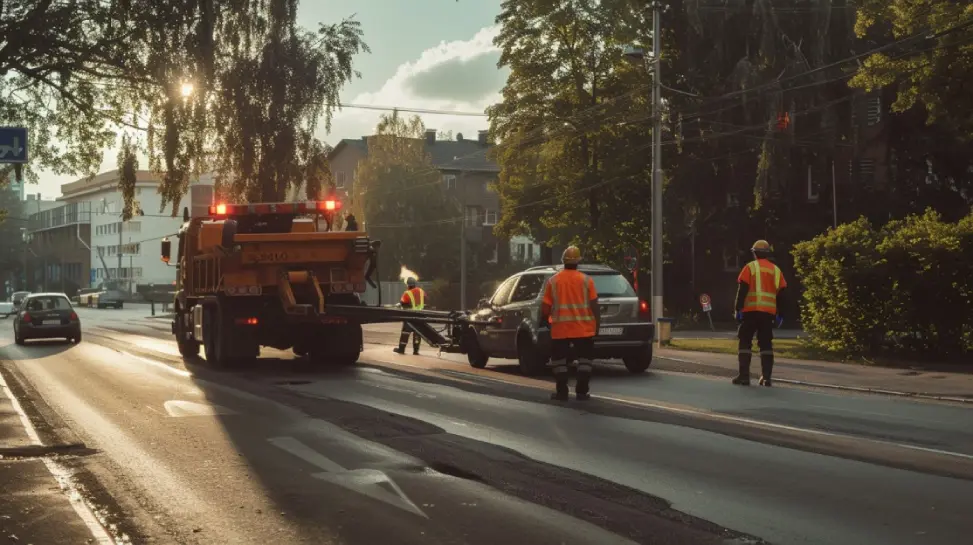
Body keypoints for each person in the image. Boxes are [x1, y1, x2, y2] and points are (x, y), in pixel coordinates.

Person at [541, 246, 601, 401]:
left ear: (563, 261)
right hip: (584, 329)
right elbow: (595, 305)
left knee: (560, 362)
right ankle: (581, 392)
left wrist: (545, 320)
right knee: (585, 362)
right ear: (578, 262)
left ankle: (562, 392)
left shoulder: (553, 281)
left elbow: (545, 307)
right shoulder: (587, 280)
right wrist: (597, 324)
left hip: (561, 329)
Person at [733, 239, 788, 386]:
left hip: (750, 312)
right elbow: (781, 295)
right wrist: (780, 314)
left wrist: (738, 309)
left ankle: (744, 376)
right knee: (766, 344)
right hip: (768, 314)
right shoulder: (776, 271)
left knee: (745, 342)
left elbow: (742, 291)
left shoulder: (749, 268)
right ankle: (766, 377)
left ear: (754, 253)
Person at [393, 277, 425, 355]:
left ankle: (401, 349)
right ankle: (416, 351)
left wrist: (399, 305)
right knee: (417, 334)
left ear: (408, 285)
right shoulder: (421, 291)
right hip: (420, 316)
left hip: (410, 316)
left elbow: (403, 303)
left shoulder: (407, 293)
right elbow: (424, 300)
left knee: (405, 333)